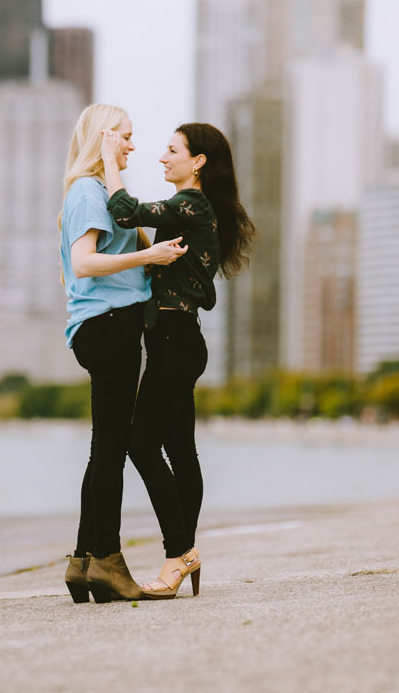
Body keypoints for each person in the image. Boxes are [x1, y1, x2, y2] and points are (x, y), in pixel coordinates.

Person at [101, 122, 255, 599]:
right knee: (180, 451)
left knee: (141, 445)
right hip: (175, 338)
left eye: (171, 151)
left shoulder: (191, 203)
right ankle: (183, 554)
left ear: (198, 161)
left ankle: (180, 554)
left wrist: (109, 158)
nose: (162, 158)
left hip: (174, 339)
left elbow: (125, 211)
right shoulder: (189, 211)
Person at [58, 104, 188, 603]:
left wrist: (148, 267)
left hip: (104, 327)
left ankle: (83, 560)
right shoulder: (89, 191)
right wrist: (149, 255)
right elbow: (85, 262)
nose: (134, 146)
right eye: (126, 138)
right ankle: (106, 561)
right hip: (108, 326)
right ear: (105, 138)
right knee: (110, 449)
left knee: (104, 447)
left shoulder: (90, 191)